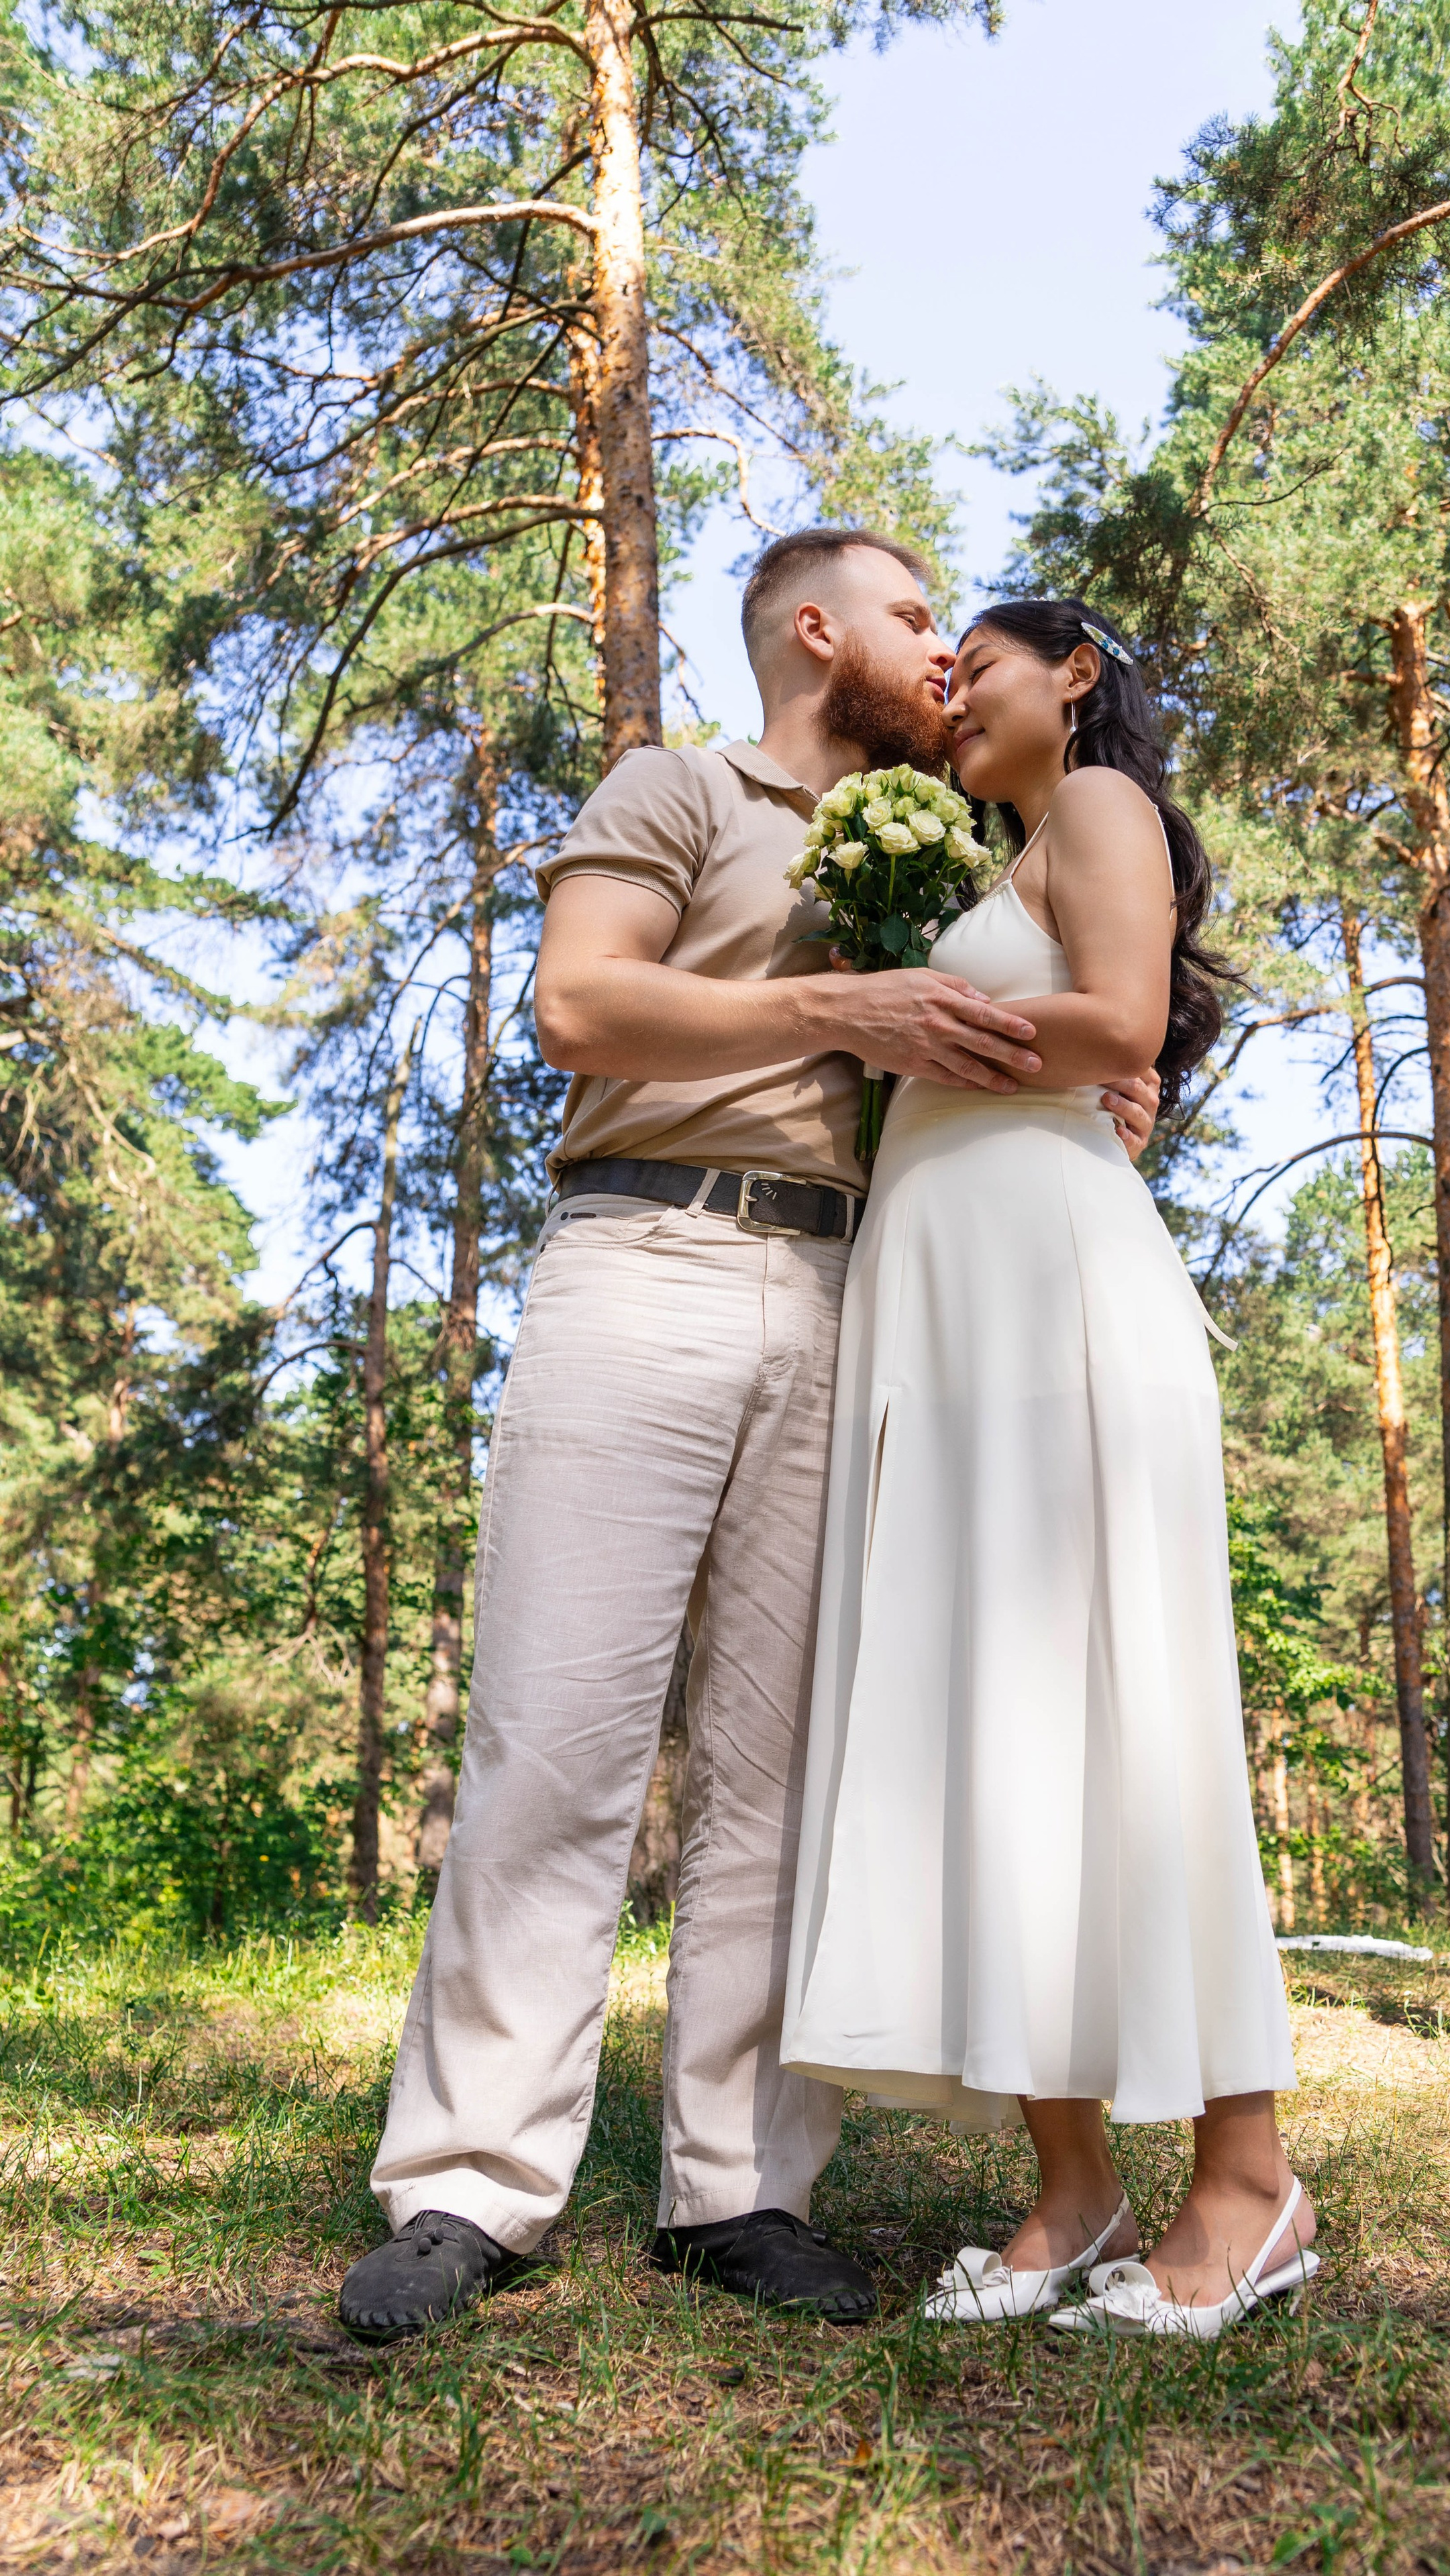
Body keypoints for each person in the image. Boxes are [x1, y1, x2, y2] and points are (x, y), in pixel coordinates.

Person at [336, 533, 1161, 2343]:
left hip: (861, 1296)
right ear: (814, 628)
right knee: (558, 1734)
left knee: (787, 1763)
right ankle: (473, 2183)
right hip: (647, 1253)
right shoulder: (680, 788)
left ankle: (742, 2187)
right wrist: (834, 1006)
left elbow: (1058, 1017)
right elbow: (578, 1005)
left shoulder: (964, 846)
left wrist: (1092, 1080)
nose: (942, 652)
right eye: (913, 617)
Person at [779, 598, 1319, 2339]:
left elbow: (1122, 1029)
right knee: (995, 1721)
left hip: (1056, 1303)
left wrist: (906, 1027)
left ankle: (1248, 2178)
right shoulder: (988, 861)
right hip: (949, 1306)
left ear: (1075, 673)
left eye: (984, 663)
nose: (953, 691)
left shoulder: (1096, 803)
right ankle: (1073, 2185)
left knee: (1127, 1708)